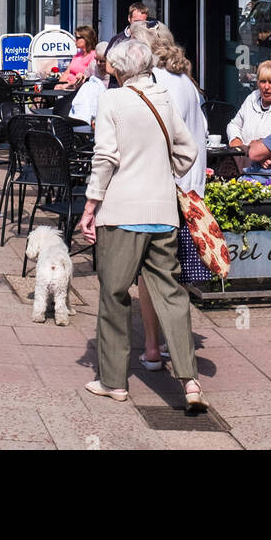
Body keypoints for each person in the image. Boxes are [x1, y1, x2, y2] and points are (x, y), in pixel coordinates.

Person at [77, 38, 208, 412]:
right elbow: (189, 150)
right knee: (171, 293)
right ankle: (190, 381)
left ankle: (114, 382)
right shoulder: (164, 98)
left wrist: (91, 204)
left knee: (114, 295)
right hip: (162, 211)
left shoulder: (111, 100)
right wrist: (165, 175)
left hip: (121, 213)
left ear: (117, 69)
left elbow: (104, 156)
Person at [130, 21, 209, 366]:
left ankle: (153, 346)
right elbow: (201, 136)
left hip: (163, 189)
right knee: (173, 272)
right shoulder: (188, 84)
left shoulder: (154, 84)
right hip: (188, 190)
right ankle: (171, 345)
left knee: (152, 271)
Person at [227, 60, 271, 147]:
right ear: (257, 83)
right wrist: (236, 139)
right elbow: (234, 125)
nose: (266, 87)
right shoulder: (251, 99)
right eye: (263, 81)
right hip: (242, 157)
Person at [68, 42, 110, 125]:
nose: (98, 63)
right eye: (96, 59)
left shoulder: (113, 69)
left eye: (102, 61)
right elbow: (85, 78)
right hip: (91, 99)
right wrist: (81, 78)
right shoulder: (93, 65)